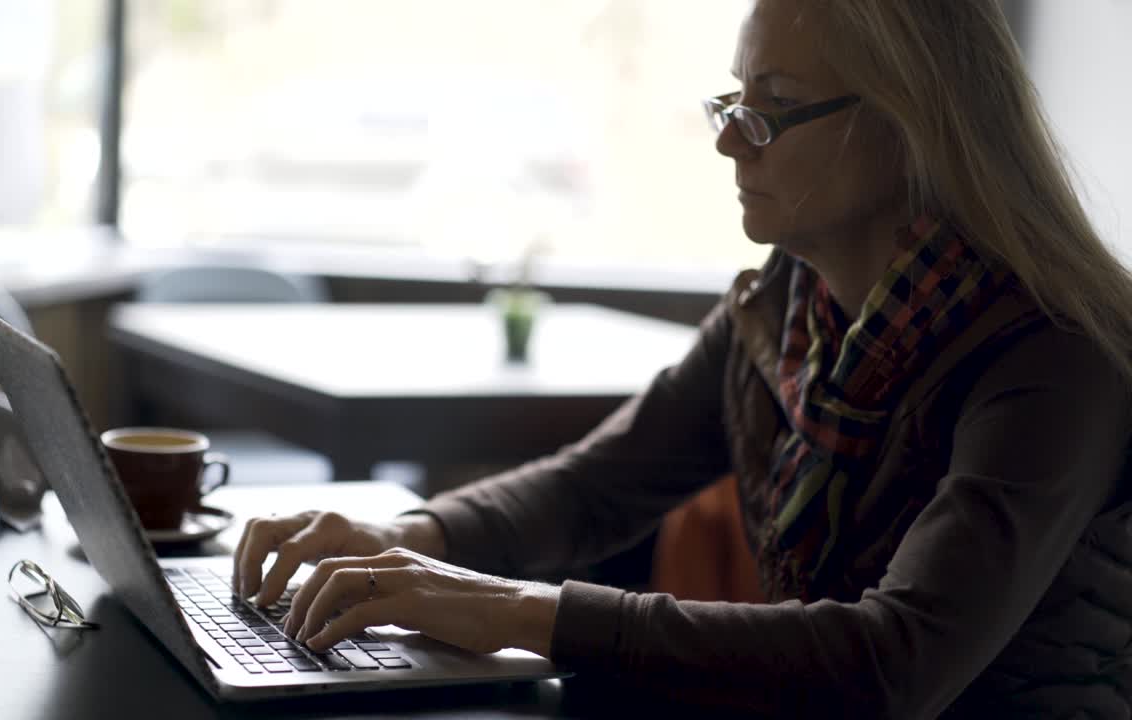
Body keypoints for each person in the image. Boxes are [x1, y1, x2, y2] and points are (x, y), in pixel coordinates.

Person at [232, 0, 1132, 715]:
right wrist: (405, 539)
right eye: (734, 100)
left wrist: (514, 610)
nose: (729, 138)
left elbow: (893, 664)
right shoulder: (784, 306)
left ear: (907, 128)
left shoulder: (1054, 359)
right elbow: (595, 486)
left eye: (772, 109)